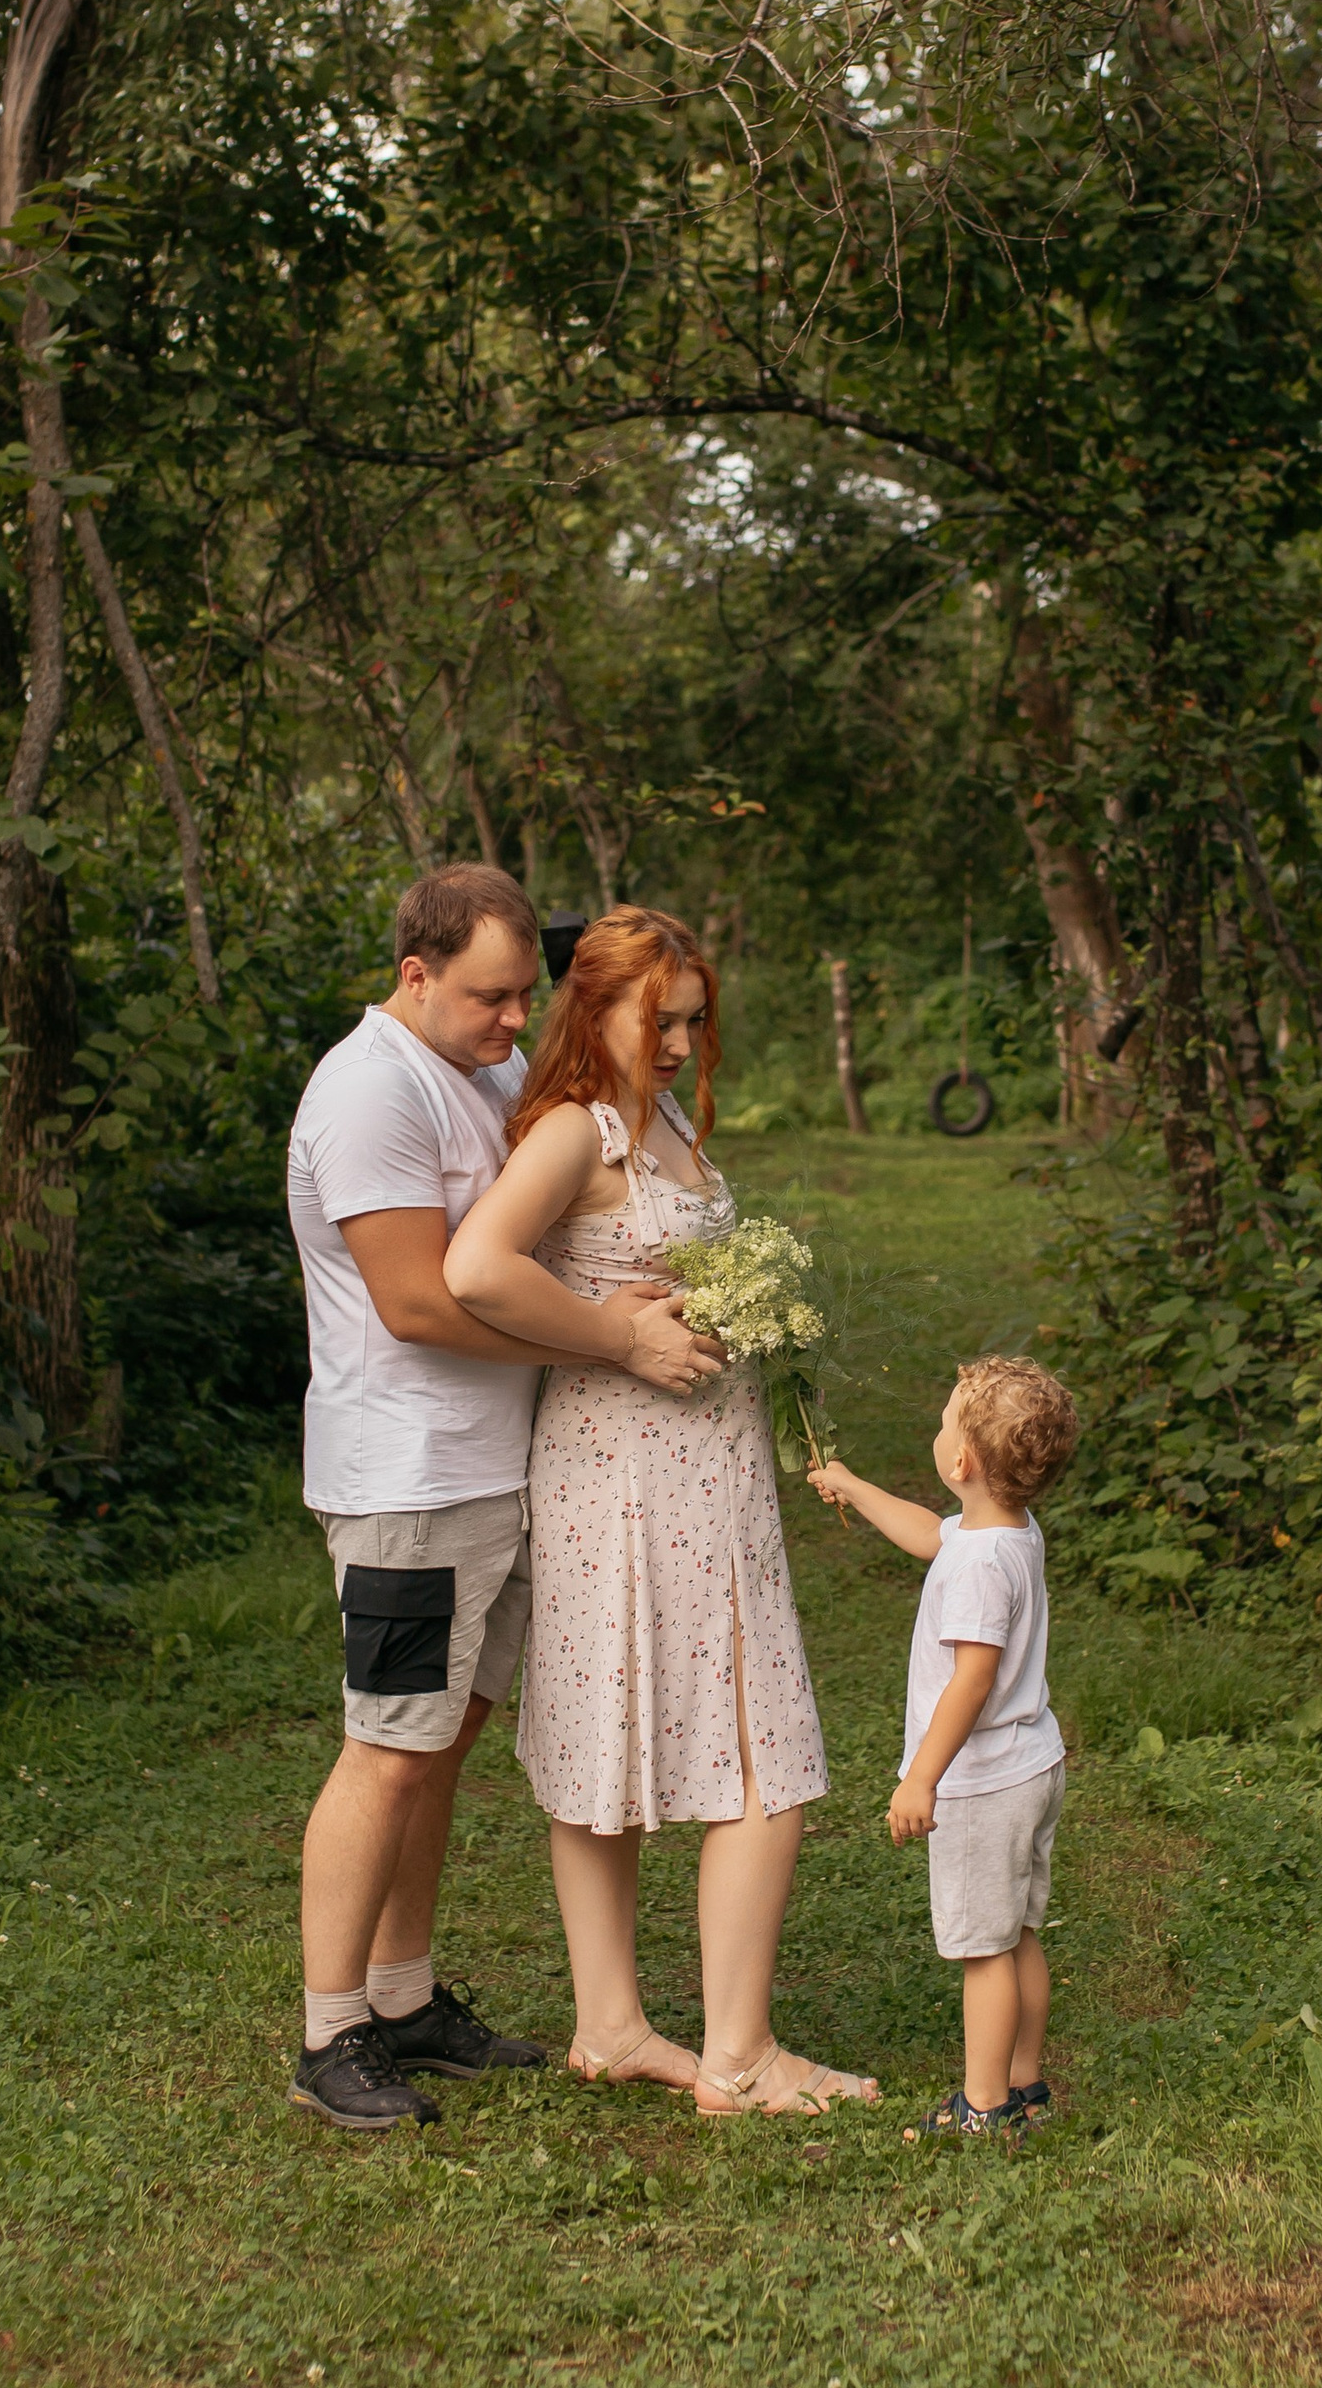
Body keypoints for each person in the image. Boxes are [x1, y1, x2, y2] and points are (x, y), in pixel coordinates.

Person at [283, 865, 724, 2132]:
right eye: (490, 996)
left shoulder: (477, 1070)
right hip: (407, 1481)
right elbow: (419, 1302)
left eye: (528, 992)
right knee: (386, 1747)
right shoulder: (368, 1090)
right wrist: (609, 1337)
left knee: (440, 1743)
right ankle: (329, 2032)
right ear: (414, 973)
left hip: (495, 1469)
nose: (515, 1020)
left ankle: (404, 1995)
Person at [444, 905, 878, 2116]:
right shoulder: (573, 1133)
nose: (683, 1043)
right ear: (595, 1012)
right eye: (661, 1020)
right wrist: (615, 1337)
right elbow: (475, 1267)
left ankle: (612, 2025)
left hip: (699, 1468)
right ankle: (737, 2057)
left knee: (647, 1739)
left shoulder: (664, 1119)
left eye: (694, 1019)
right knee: (755, 1749)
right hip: (626, 1472)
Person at [807, 1356, 1081, 2142]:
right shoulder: (1004, 1532)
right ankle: (1025, 2085)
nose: (936, 1431)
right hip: (1031, 1765)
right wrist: (855, 1486)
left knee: (984, 1952)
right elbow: (933, 1535)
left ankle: (983, 2108)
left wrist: (921, 1778)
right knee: (1016, 1935)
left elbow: (971, 1679)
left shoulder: (980, 1570)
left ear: (961, 1462)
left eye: (942, 1422)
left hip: (983, 1783)